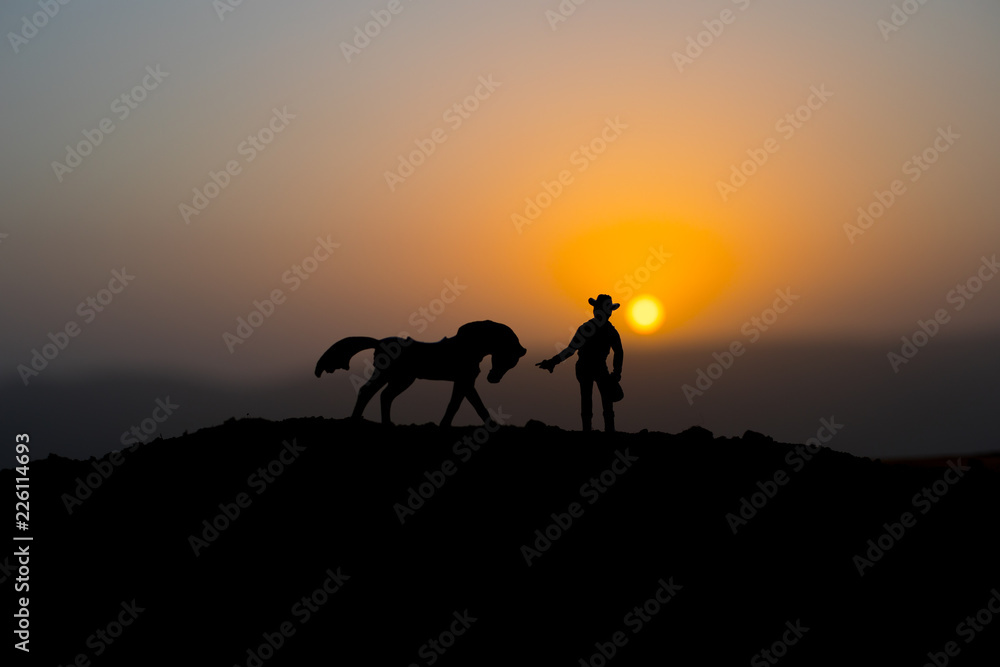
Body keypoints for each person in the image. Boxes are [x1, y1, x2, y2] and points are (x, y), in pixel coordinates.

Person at [537, 294, 624, 432]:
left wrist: (552, 362)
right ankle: (608, 433)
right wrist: (616, 374)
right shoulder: (610, 331)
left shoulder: (588, 328)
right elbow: (619, 352)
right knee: (604, 402)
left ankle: (588, 432)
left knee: (588, 399)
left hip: (585, 367)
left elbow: (571, 350)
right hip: (597, 368)